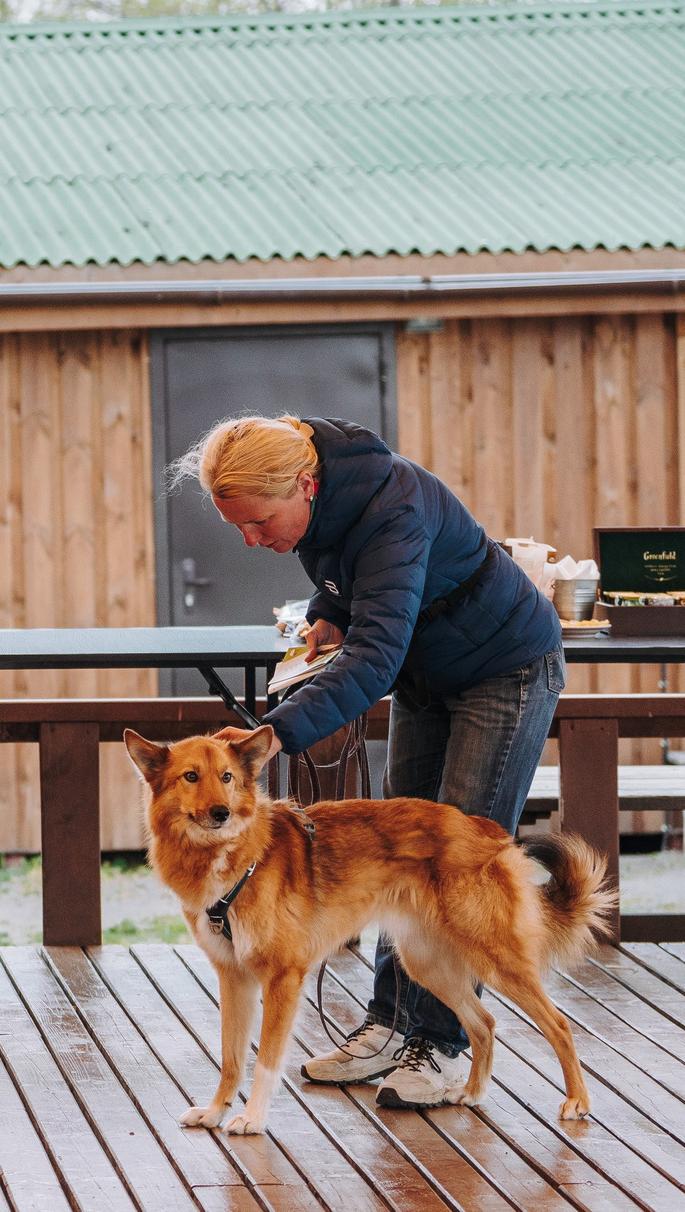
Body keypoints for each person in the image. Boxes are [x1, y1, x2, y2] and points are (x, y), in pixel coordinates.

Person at [182, 414, 564, 1112]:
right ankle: (392, 1026)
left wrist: (271, 736)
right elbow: (342, 574)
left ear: (304, 484)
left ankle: (442, 1047)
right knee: (392, 854)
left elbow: (375, 658)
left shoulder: (393, 509)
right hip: (429, 672)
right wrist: (330, 606)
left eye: (260, 521)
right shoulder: (319, 497)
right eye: (238, 526)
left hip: (503, 669)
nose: (252, 539)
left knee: (454, 861)